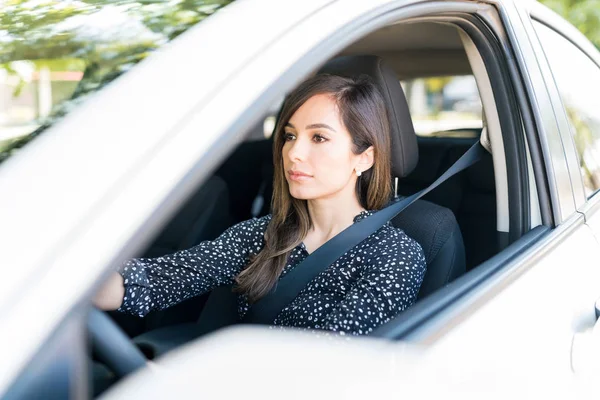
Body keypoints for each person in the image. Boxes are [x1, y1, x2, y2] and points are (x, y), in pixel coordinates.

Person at [95, 74, 426, 336]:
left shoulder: (394, 255)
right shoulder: (261, 236)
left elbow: (329, 363)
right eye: (290, 135)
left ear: (364, 158)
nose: (293, 153)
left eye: (319, 138)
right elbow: (155, 281)